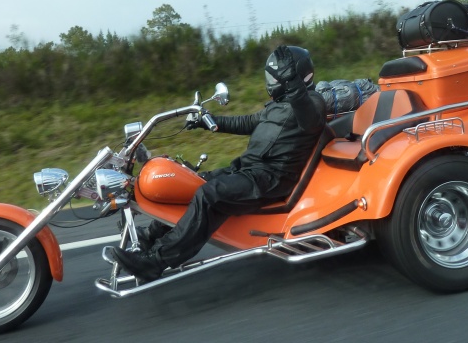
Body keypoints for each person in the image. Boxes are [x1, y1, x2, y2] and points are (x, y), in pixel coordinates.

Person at [112, 44, 327, 282]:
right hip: (248, 169)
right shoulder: (279, 104)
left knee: (208, 195)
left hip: (271, 179)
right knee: (190, 183)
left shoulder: (313, 102)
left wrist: (293, 83)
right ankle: (148, 238)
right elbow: (248, 122)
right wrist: (210, 122)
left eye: (276, 76)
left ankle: (155, 262)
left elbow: (310, 122)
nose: (271, 81)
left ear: (293, 76)